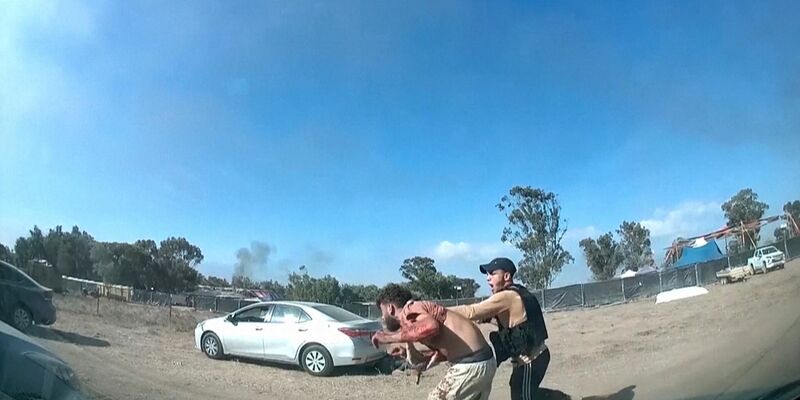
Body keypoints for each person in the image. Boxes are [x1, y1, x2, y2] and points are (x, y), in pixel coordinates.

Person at [372, 283, 497, 400]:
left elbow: (431, 326)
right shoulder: (416, 317)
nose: (382, 317)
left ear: (390, 308)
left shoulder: (411, 308)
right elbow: (443, 353)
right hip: (482, 362)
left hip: (472, 364)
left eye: (382, 312)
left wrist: (388, 337)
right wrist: (408, 353)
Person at [449, 257, 550, 400]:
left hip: (531, 361)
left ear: (507, 276)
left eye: (492, 273)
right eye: (487, 274)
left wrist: (434, 311)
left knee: (523, 396)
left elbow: (470, 311)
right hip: (530, 359)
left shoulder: (506, 296)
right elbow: (515, 324)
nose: (488, 278)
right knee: (518, 389)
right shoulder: (518, 291)